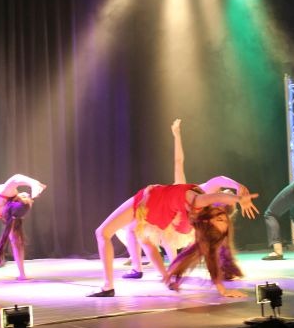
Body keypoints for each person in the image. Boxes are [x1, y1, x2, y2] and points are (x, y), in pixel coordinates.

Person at [89, 120, 259, 297]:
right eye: (223, 218)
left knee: (104, 233)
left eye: (220, 221)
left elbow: (216, 197)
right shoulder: (199, 200)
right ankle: (164, 277)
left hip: (147, 203)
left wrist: (239, 198)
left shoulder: (197, 206)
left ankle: (109, 286)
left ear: (210, 222)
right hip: (155, 212)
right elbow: (216, 188)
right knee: (143, 240)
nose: (222, 217)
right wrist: (238, 195)